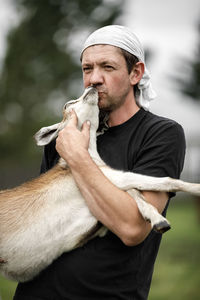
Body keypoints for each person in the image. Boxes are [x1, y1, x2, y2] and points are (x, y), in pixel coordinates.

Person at [14, 25, 186, 300]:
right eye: (87, 68)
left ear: (135, 73)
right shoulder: (67, 131)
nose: (94, 78)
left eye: (107, 67)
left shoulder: (160, 134)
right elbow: (45, 215)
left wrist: (78, 157)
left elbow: (132, 228)